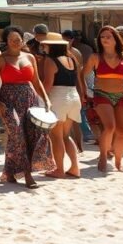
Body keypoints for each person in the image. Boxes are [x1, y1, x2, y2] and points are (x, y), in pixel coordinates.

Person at [0, 26, 53, 189]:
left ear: (22, 40)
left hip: (29, 98)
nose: (16, 42)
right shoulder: (1, 60)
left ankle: (10, 172)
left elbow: (36, 81)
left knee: (29, 134)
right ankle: (27, 174)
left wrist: (45, 98)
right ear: (7, 42)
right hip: (8, 100)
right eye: (12, 40)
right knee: (17, 133)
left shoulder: (30, 57)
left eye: (18, 39)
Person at [82, 26, 123, 173]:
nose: (105, 39)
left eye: (108, 36)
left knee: (122, 131)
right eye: (102, 37)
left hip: (122, 95)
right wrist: (85, 90)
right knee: (109, 127)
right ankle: (103, 155)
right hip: (102, 94)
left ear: (115, 39)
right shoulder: (95, 57)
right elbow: (82, 74)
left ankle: (118, 162)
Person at [39, 32, 85, 178]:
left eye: (45, 44)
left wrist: (39, 99)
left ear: (51, 46)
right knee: (65, 135)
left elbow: (47, 85)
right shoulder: (71, 58)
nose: (43, 46)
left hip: (58, 98)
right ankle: (75, 167)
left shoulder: (50, 61)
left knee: (56, 136)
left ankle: (59, 169)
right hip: (73, 97)